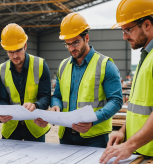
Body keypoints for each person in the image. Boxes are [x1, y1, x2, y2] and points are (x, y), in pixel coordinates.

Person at [100, 0, 153, 164]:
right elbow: (140, 108)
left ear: (147, 25)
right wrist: (123, 131)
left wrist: (129, 145)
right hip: (143, 153)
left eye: (128, 29)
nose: (124, 36)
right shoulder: (148, 55)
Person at [50, 13, 123, 148]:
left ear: (86, 38)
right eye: (68, 44)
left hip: (94, 137)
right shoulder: (63, 66)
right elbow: (57, 96)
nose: (72, 48)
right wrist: (56, 105)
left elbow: (116, 101)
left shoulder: (105, 65)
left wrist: (92, 120)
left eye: (76, 42)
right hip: (66, 135)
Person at [0, 23, 51, 142]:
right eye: (10, 52)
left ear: (25, 46)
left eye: (18, 50)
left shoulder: (40, 65)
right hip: (11, 128)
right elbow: (3, 99)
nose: (15, 55)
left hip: (35, 128)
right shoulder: (1, 70)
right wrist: (1, 114)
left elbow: (45, 97)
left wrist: (36, 105)